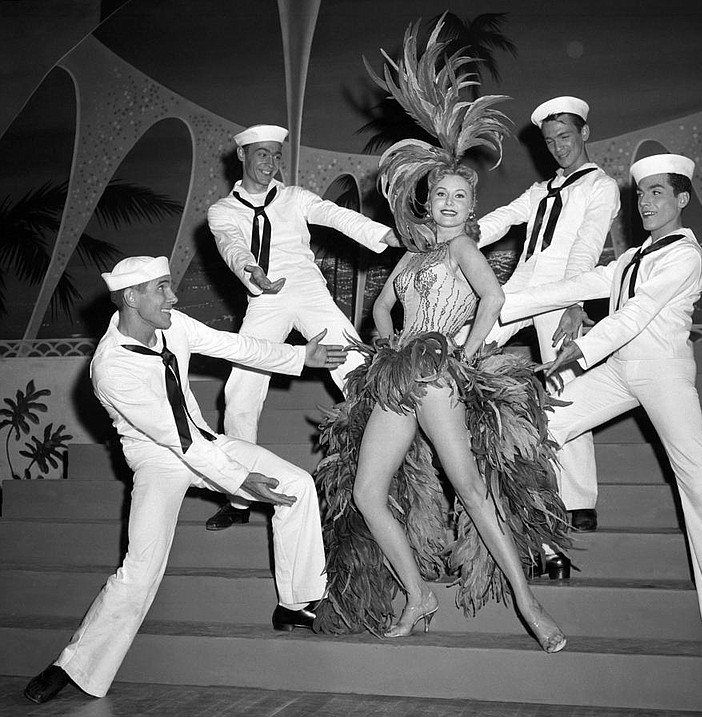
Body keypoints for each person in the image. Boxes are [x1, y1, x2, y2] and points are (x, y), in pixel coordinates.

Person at [314, 19, 569, 653]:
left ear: (470, 206)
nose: (451, 203)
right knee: (369, 491)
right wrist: (390, 338)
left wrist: (466, 350)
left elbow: (494, 298)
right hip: (398, 379)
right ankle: (417, 593)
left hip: (440, 377)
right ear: (426, 202)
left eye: (461, 195)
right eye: (442, 195)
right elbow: (378, 316)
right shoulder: (412, 256)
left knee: (474, 491)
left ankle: (527, 600)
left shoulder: (463, 250)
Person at [23, 256, 345, 704]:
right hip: (158, 460)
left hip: (205, 441)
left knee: (296, 485)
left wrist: (299, 356)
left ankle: (297, 603)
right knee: (140, 568)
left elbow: (234, 345)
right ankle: (73, 666)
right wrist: (240, 481)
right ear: (132, 297)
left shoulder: (172, 325)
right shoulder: (110, 367)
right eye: (162, 288)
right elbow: (176, 440)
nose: (173, 297)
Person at [500, 153, 702, 654]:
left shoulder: (685, 256)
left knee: (699, 477)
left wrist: (581, 348)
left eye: (657, 193)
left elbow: (640, 312)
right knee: (536, 426)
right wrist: (504, 304)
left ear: (682, 199)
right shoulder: (633, 255)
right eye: (641, 194)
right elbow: (591, 282)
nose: (645, 203)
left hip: (662, 371)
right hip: (619, 369)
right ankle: (544, 545)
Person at [205, 123, 399, 530]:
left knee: (355, 370)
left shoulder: (294, 197)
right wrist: (252, 272)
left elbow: (337, 216)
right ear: (242, 156)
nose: (270, 163)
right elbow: (231, 245)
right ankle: (239, 496)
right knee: (239, 392)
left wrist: (388, 235)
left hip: (309, 292)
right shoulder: (223, 211)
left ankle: (386, 473)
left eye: (276, 155)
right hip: (264, 300)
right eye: (261, 154)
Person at [476, 96, 621, 534]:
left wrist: (576, 304)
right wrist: (464, 230)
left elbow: (588, 245)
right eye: (550, 141)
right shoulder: (542, 190)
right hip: (522, 283)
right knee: (468, 344)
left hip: (563, 289)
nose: (558, 147)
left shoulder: (601, 187)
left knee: (565, 386)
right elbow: (505, 218)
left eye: (565, 137)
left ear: (584, 135)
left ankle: (577, 501)